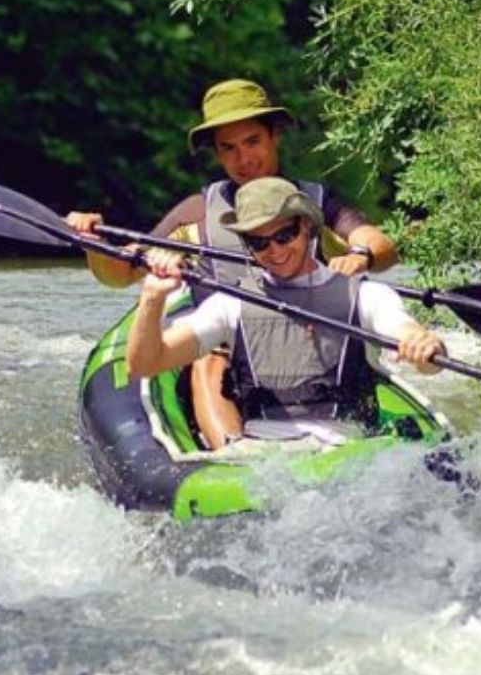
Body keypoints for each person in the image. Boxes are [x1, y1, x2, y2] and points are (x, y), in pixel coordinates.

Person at [67, 79, 398, 448]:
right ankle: (235, 455)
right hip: (225, 344)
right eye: (229, 148)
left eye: (252, 142)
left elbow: (379, 244)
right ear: (218, 154)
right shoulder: (195, 213)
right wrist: (92, 244)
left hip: (309, 342)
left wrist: (359, 255)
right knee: (214, 354)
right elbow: (123, 272)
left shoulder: (314, 202)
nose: (244, 159)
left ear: (275, 136)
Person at [126, 177, 445, 448]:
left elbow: (413, 341)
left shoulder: (364, 294)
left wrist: (423, 343)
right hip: (263, 457)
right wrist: (152, 297)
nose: (275, 251)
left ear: (305, 226)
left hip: (344, 451)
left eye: (284, 235)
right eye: (259, 243)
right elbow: (144, 365)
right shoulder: (230, 304)